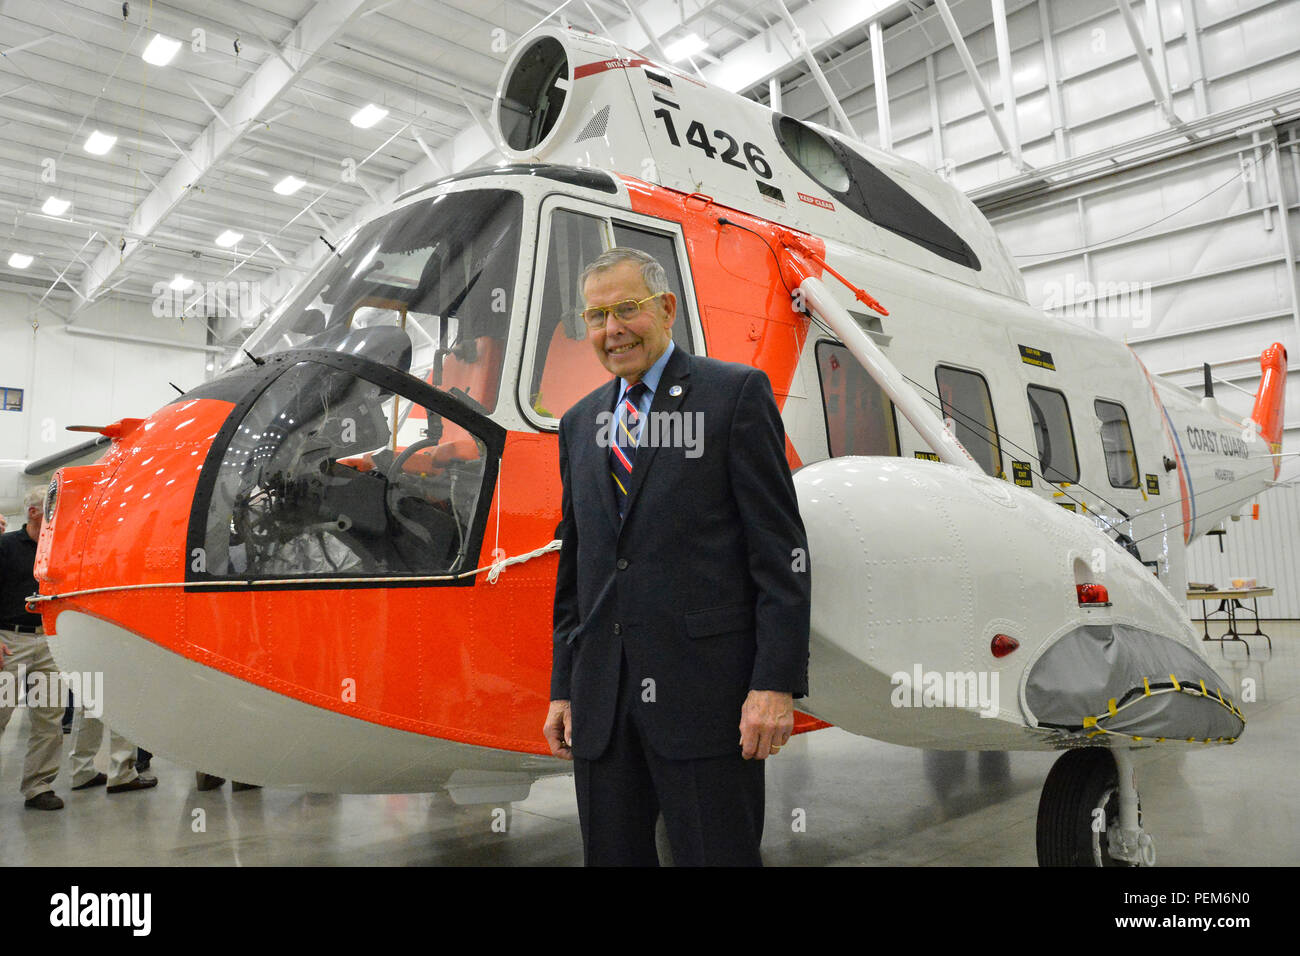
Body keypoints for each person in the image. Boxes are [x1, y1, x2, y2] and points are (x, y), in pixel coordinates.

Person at [543, 248, 811, 866]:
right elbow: (576, 567)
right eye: (597, 315)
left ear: (666, 309)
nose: (613, 329)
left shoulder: (733, 395)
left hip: (707, 701)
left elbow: (781, 552)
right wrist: (565, 686)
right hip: (603, 705)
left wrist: (773, 683)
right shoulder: (580, 424)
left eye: (627, 309)